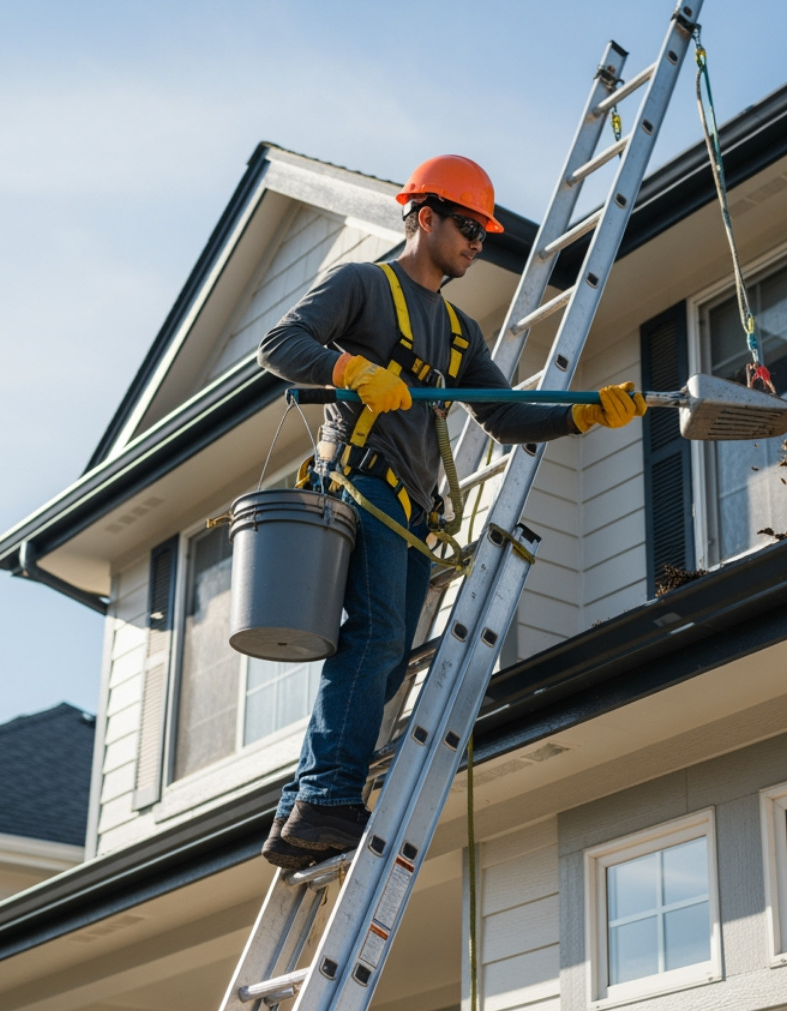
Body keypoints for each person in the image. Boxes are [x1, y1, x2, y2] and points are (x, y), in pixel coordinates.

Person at [255, 155, 646, 870]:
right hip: (362, 484)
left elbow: (506, 416)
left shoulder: (461, 333)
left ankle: (300, 811)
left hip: (410, 508)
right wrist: (350, 370)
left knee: (388, 651)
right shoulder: (363, 286)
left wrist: (585, 415)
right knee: (374, 640)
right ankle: (326, 798)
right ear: (424, 216)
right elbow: (279, 346)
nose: (477, 243)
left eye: (485, 234)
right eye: (468, 227)